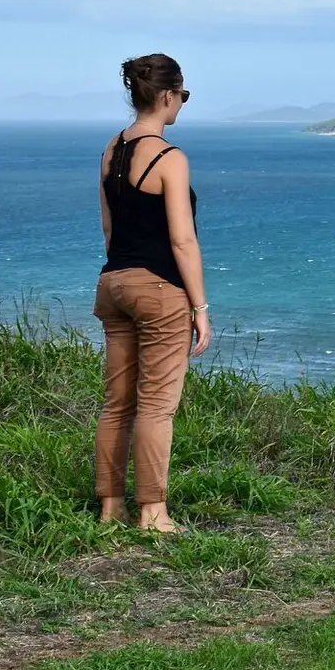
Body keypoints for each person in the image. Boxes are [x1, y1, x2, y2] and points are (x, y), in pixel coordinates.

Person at [92, 53, 211, 533]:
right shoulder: (169, 158)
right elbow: (183, 240)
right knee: (157, 403)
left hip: (113, 283)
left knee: (117, 400)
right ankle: (153, 512)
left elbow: (107, 228)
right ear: (166, 95)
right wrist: (200, 307)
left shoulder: (110, 152)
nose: (181, 103)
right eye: (182, 95)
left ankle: (109, 508)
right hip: (159, 291)